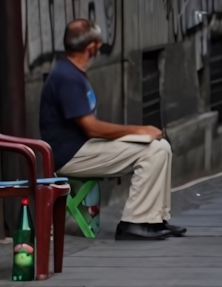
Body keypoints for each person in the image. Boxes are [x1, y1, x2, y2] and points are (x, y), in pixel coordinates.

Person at [39, 19, 184, 241]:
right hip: (70, 155)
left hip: (81, 148)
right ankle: (135, 222)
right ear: (92, 47)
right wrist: (140, 131)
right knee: (152, 150)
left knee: (161, 146)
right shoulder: (67, 77)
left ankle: (154, 219)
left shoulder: (70, 72)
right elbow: (91, 128)